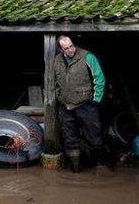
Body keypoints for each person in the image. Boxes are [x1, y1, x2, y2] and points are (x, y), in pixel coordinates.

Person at [54, 35, 106, 173]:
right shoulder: (57, 60)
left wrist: (96, 99)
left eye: (71, 46)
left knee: (93, 136)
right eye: (66, 48)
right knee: (69, 138)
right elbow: (54, 80)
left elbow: (99, 78)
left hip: (85, 104)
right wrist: (58, 96)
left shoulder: (87, 57)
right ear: (61, 49)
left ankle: (98, 165)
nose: (71, 50)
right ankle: (75, 171)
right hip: (66, 105)